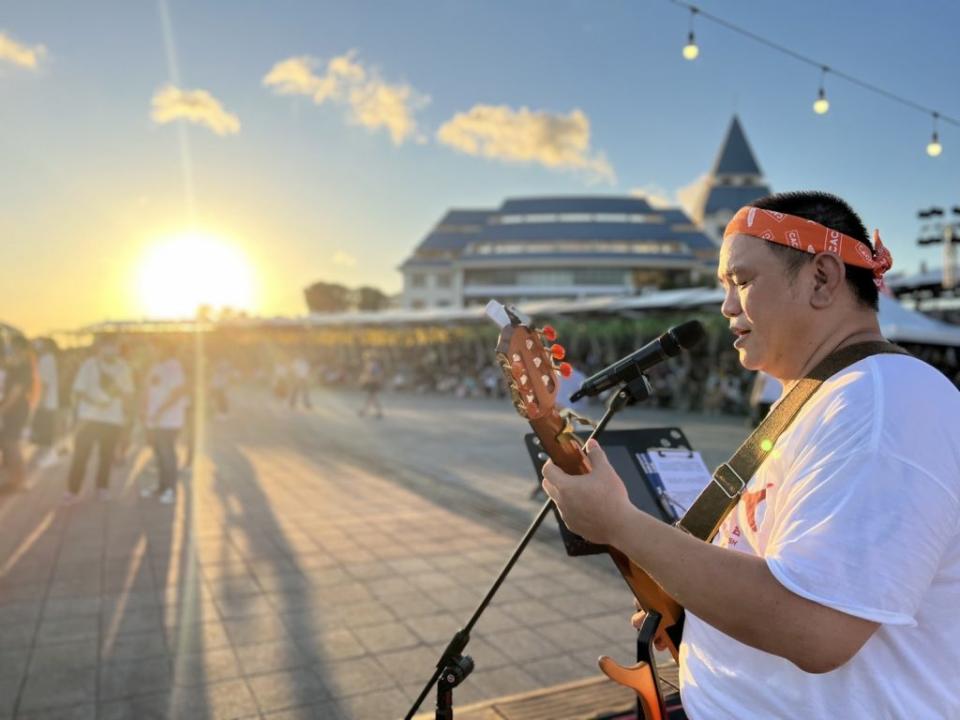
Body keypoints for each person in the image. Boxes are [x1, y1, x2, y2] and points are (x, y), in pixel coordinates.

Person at [542, 191, 960, 718]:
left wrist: (620, 524)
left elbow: (816, 627)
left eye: (742, 281)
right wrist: (694, 600)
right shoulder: (825, 393)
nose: (727, 306)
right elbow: (780, 568)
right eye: (725, 287)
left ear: (822, 278)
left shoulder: (882, 405)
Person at [63, 338, 134, 504]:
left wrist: (126, 415)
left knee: (107, 456)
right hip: (88, 418)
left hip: (113, 420)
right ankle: (72, 490)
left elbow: (128, 393)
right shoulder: (89, 365)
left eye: (113, 346)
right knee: (81, 455)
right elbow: (78, 390)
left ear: (118, 348)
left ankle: (102, 488)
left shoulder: (123, 367)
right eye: (106, 345)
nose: (110, 349)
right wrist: (96, 402)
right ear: (99, 348)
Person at [141, 342, 188, 504]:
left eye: (154, 347)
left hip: (169, 421)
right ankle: (161, 487)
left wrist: (160, 411)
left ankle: (171, 490)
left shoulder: (174, 367)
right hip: (154, 421)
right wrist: (146, 411)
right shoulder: (156, 366)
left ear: (163, 348)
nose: (151, 351)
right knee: (159, 455)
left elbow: (177, 393)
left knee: (168, 455)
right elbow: (148, 389)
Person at [0, 336, 34, 492]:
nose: (9, 350)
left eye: (12, 347)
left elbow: (16, 393)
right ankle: (16, 480)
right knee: (9, 444)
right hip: (13, 409)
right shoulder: (16, 365)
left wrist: (2, 410)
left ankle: (20, 482)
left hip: (15, 409)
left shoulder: (23, 367)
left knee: (11, 444)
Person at [30, 338, 62, 469]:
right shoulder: (50, 358)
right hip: (50, 401)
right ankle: (45, 455)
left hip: (46, 401)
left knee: (44, 429)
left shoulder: (46, 360)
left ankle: (46, 456)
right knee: (46, 429)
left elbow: (45, 383)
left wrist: (40, 401)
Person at [357, 352, 384, 418]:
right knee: (371, 397)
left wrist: (365, 380)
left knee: (371, 397)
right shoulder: (374, 365)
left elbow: (374, 375)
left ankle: (365, 411)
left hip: (373, 383)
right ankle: (367, 411)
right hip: (373, 383)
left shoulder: (373, 365)